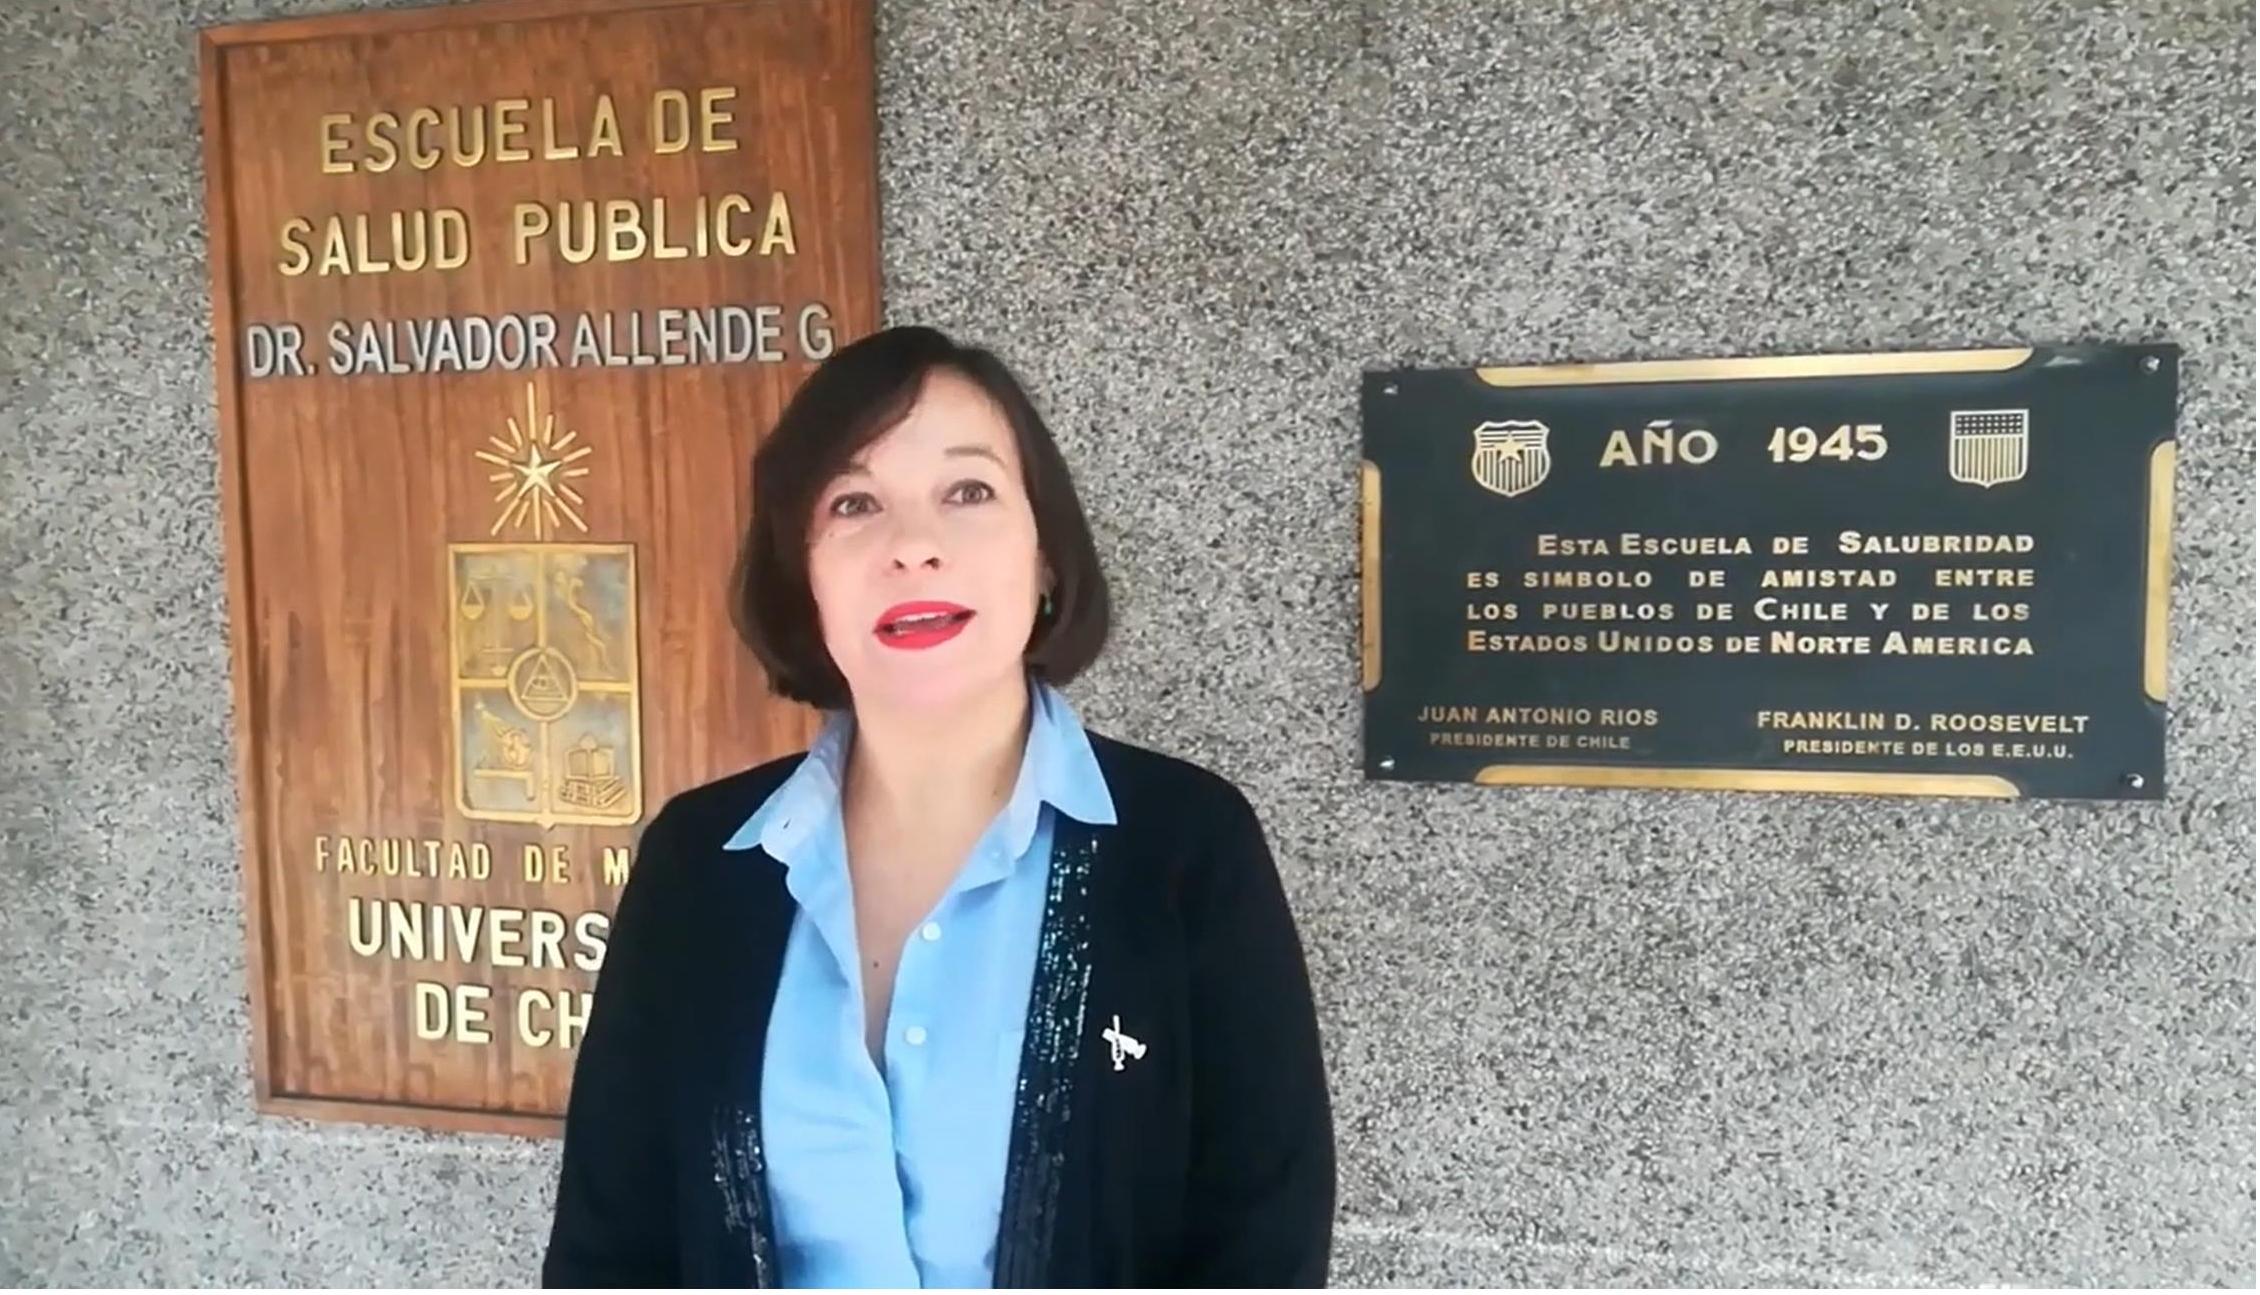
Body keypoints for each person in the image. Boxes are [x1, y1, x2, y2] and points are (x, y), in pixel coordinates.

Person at [541, 325, 1335, 1288]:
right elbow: (608, 1245)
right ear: (806, 576)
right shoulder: (700, 863)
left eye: (968, 492)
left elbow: (1263, 1240)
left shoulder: (1185, 847)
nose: (913, 546)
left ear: (1045, 557)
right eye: (855, 502)